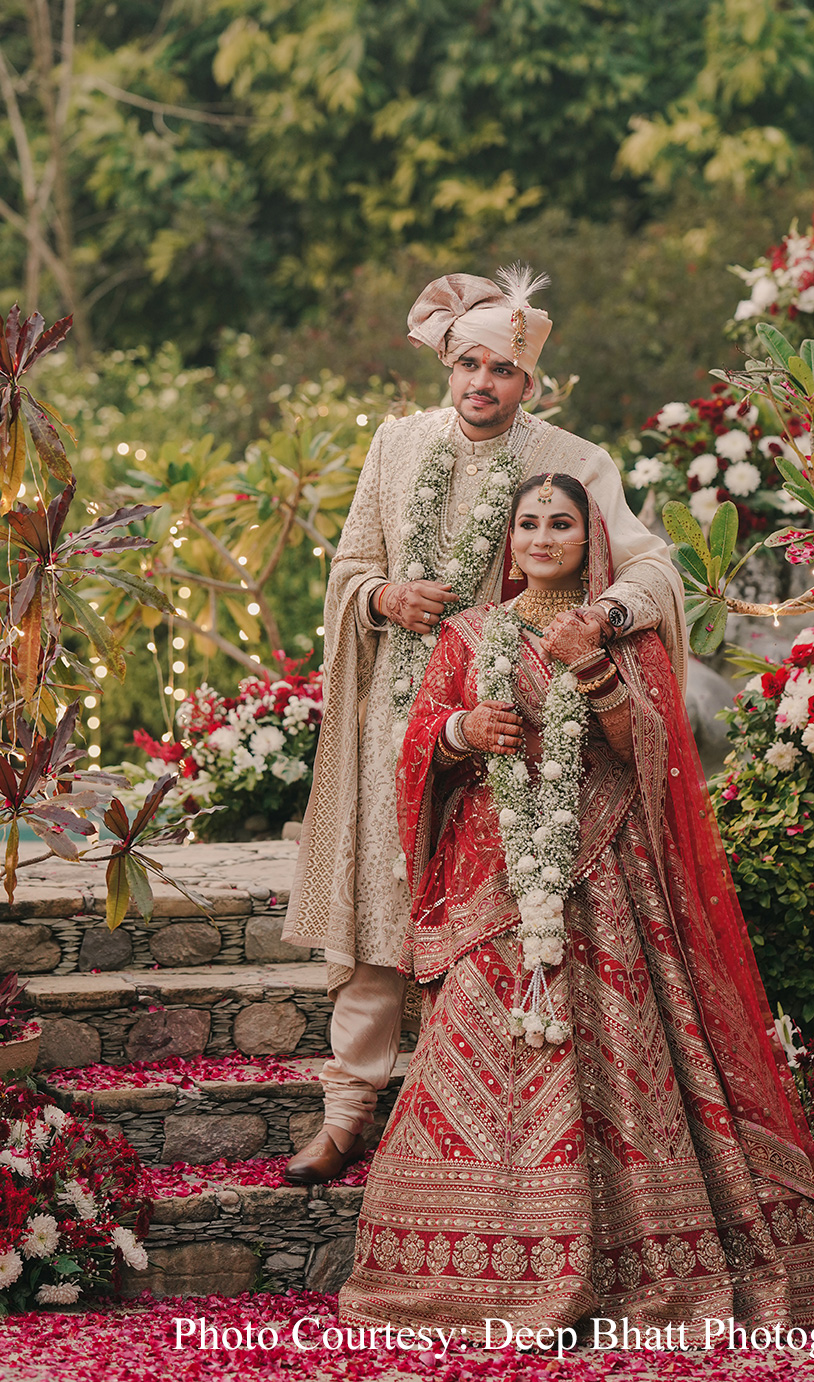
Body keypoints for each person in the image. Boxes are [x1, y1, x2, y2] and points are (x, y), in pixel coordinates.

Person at [337, 474, 814, 1337]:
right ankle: (460, 1267)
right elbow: (418, 740)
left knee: (622, 1053)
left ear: (591, 540)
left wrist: (593, 667)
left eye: (561, 524)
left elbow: (652, 748)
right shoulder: (469, 632)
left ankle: (636, 1259)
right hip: (493, 880)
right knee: (475, 1044)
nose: (542, 538)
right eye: (528, 524)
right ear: (509, 540)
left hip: (611, 878)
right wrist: (462, 732)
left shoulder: (622, 633)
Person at [283, 267, 684, 1184]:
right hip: (399, 717)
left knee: (489, 922)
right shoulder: (396, 446)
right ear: (447, 365)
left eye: (502, 369)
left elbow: (652, 569)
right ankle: (348, 1113)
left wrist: (602, 620)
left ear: (530, 381)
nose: (482, 383)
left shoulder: (574, 460)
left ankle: (475, 1122)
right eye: (469, 364)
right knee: (380, 907)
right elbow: (349, 567)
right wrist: (383, 596)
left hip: (518, 730)